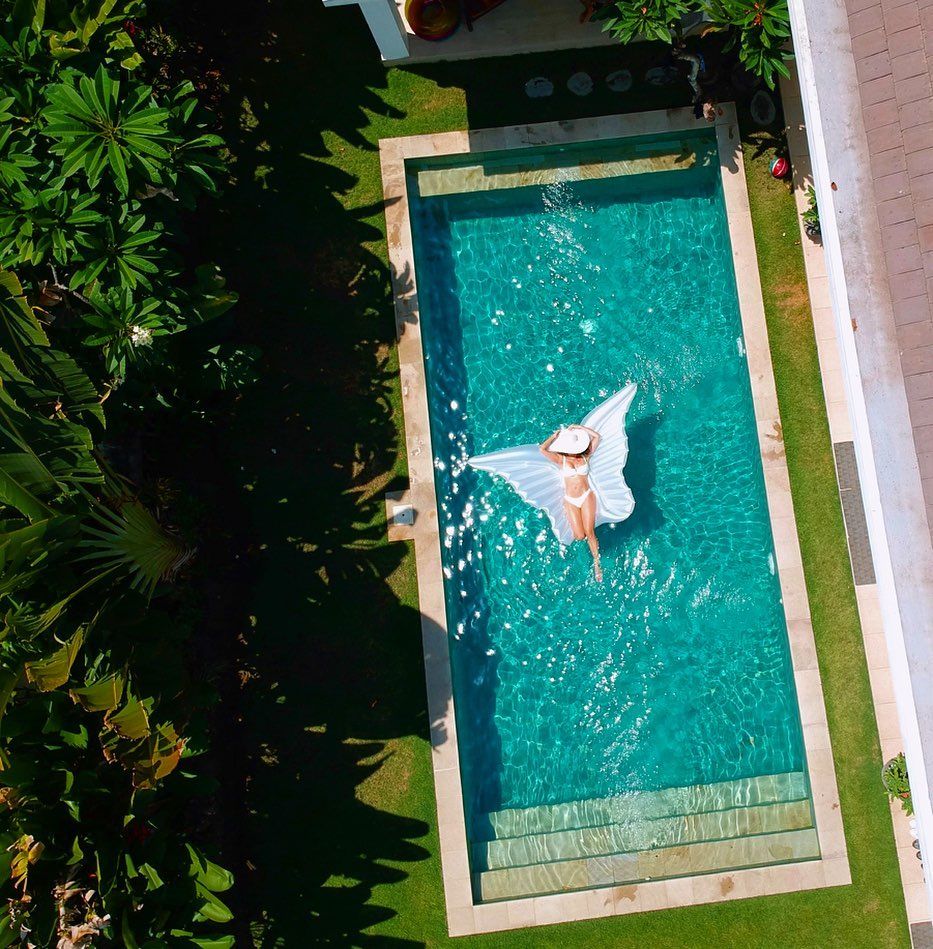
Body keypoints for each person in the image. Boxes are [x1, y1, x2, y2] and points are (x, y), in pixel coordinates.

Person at [539, 425, 604, 580]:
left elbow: (597, 437)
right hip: (571, 500)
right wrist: (554, 436)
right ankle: (591, 542)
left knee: (589, 532)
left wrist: (580, 428)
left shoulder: (585, 456)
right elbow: (542, 449)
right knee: (580, 536)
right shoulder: (560, 459)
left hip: (586, 496)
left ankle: (597, 564)